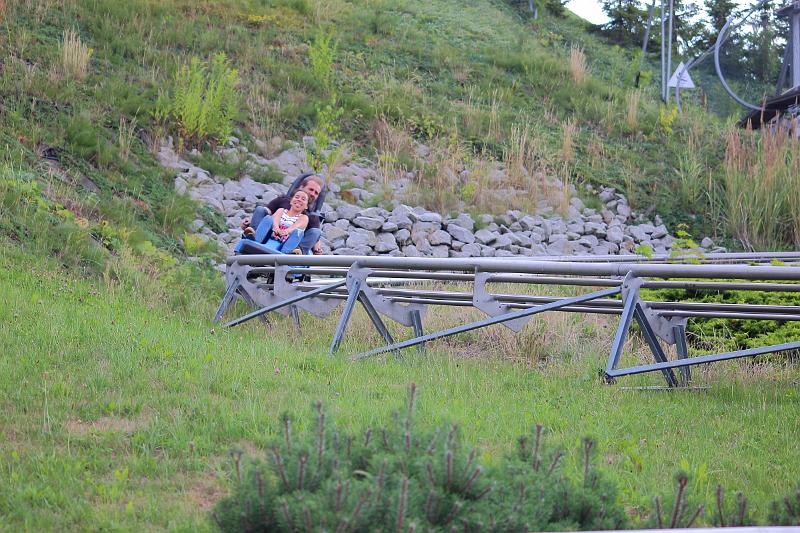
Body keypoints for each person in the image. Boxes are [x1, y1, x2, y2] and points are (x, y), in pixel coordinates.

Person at [239, 174, 325, 254]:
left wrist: (318, 249)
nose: (313, 194)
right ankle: (253, 235)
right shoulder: (282, 201)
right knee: (260, 209)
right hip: (270, 235)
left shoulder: (312, 217)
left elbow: (315, 237)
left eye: (316, 193)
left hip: (290, 242)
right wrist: (251, 221)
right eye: (311, 189)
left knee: (315, 232)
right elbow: (264, 213)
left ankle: (297, 252)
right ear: (301, 187)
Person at [235, 190, 310, 253]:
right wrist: (276, 227)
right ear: (291, 201)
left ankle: (287, 253)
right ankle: (255, 240)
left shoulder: (304, 217)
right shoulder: (281, 210)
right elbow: (275, 218)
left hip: (286, 241)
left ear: (306, 206)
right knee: (268, 218)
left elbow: (297, 225)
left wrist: (286, 231)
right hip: (271, 235)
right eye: (297, 197)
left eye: (303, 199)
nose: (299, 200)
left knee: (298, 232)